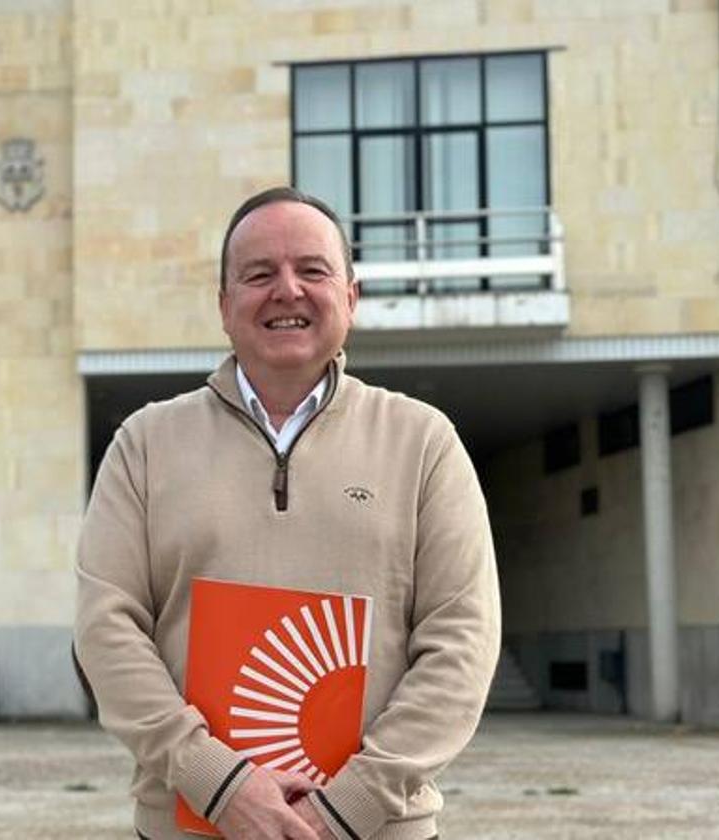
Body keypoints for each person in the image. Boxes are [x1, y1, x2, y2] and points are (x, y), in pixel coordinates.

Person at [74, 186, 500, 840]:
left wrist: (344, 809)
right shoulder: (145, 444)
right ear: (224, 305)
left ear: (350, 298)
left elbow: (462, 642)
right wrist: (218, 783)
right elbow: (107, 632)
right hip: (187, 828)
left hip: (379, 830)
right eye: (258, 274)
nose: (287, 290)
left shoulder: (423, 441)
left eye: (312, 269)